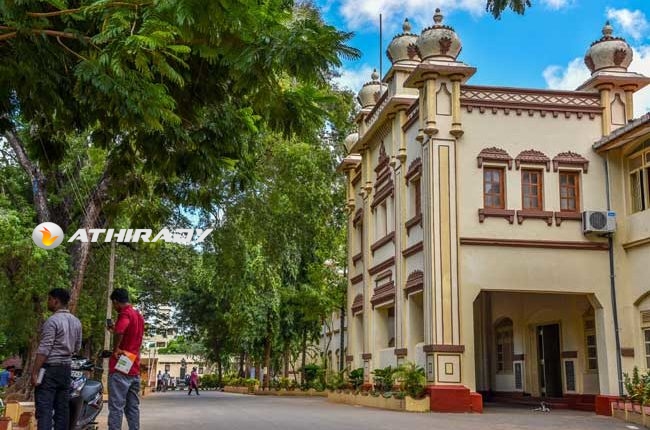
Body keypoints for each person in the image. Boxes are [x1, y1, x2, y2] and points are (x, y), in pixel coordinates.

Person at [32, 288, 82, 430]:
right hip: (66, 370)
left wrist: (35, 372)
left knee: (45, 409)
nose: (48, 302)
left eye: (49, 299)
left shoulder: (52, 321)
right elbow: (77, 347)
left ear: (56, 301)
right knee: (62, 410)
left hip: (49, 370)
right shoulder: (77, 322)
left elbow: (44, 349)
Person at [107, 288, 144, 430]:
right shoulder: (138, 316)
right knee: (132, 407)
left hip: (121, 363)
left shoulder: (125, 313)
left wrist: (116, 348)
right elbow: (128, 334)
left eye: (114, 304)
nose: (114, 307)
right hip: (134, 364)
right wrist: (114, 330)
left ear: (116, 301)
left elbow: (121, 330)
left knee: (116, 407)